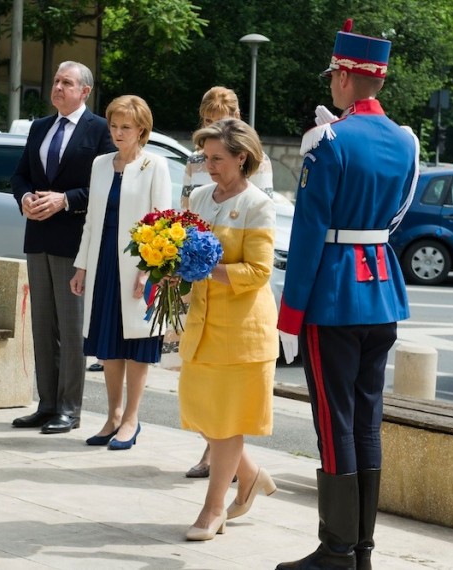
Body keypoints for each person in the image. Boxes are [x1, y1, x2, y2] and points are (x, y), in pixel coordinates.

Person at [276, 19, 420, 570]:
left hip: (334, 294)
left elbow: (310, 233)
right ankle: (360, 548)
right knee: (365, 420)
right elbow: (398, 215)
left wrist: (290, 315)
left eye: (333, 74)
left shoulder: (328, 139)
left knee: (334, 423)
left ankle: (336, 551)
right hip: (381, 288)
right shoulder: (405, 140)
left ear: (343, 76)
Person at [179, 118, 279, 541]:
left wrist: (203, 267)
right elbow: (179, 245)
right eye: (205, 157)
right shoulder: (200, 196)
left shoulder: (258, 204)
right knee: (203, 414)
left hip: (241, 333)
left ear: (242, 157)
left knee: (225, 422)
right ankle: (251, 475)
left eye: (217, 158)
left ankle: (213, 507)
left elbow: (258, 271)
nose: (209, 165)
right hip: (202, 325)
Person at [10, 61, 115, 435]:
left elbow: (104, 186)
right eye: (55, 80)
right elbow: (20, 174)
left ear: (84, 91)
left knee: (71, 330)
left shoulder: (100, 130)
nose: (57, 87)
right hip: (37, 237)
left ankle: (70, 409)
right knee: (42, 326)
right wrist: (24, 197)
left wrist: (65, 200)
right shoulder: (40, 127)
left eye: (66, 83)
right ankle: (47, 404)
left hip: (75, 241)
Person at [69, 95, 171, 450]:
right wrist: (81, 265)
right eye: (113, 125)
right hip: (102, 264)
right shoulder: (99, 164)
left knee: (136, 344)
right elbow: (91, 220)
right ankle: (112, 416)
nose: (117, 132)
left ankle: (131, 419)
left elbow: (162, 222)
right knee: (108, 344)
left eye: (125, 127)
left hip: (137, 267)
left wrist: (148, 270)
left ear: (141, 129)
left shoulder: (155, 165)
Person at [181, 86, 274, 210]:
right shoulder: (195, 159)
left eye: (220, 121)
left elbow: (263, 209)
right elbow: (186, 210)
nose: (213, 127)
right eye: (208, 120)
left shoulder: (257, 159)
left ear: (236, 116)